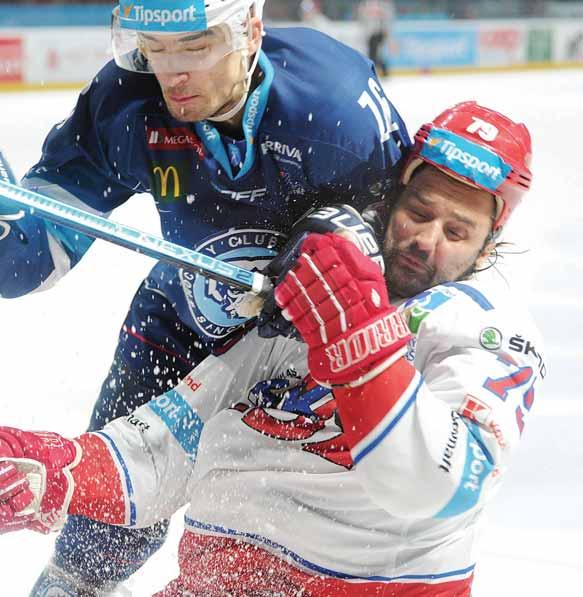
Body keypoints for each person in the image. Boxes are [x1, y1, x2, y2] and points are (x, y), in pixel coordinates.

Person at [0, 101, 544, 595]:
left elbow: (441, 483)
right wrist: (49, 468)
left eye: (458, 232)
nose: (427, 241)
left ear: (488, 244)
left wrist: (355, 329)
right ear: (392, 197)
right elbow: (166, 449)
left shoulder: (486, 332)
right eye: (419, 214)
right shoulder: (313, 290)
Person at [0, 0, 410, 593]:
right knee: (101, 530)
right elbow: (29, 259)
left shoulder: (337, 105)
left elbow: (413, 259)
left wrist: (351, 246)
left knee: (269, 550)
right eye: (154, 46)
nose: (172, 73)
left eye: (196, 45)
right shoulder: (127, 98)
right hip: (174, 332)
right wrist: (8, 225)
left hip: (300, 365)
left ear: (251, 30)